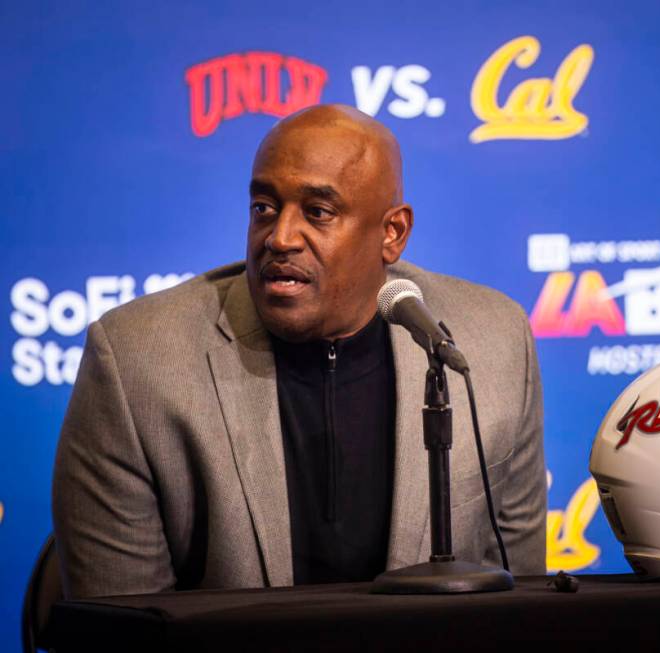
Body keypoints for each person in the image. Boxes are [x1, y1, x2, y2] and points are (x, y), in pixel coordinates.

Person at [52, 104, 546, 598]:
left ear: (391, 233)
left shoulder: (491, 341)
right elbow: (125, 628)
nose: (280, 237)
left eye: (318, 212)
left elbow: (518, 605)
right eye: (264, 208)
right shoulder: (137, 361)